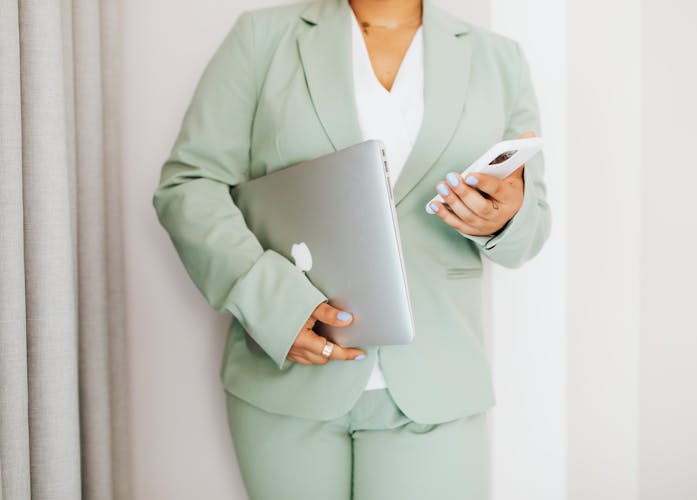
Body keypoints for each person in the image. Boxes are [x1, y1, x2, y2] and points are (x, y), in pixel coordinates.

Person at [151, 0, 550, 498]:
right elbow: (190, 185)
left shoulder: (499, 59)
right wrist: (271, 303)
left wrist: (504, 216)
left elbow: (529, 231)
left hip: (440, 381)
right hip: (287, 380)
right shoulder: (261, 38)